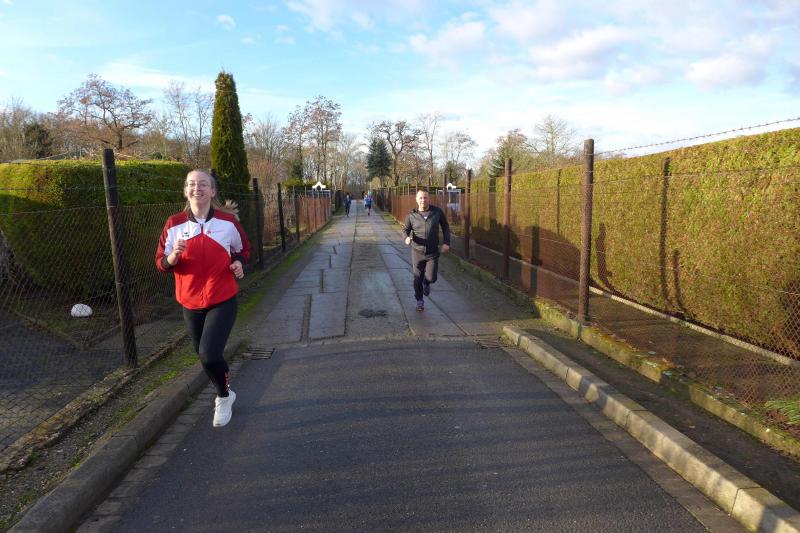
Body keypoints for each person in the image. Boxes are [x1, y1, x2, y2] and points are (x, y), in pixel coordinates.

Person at [155, 169, 251, 427]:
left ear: (212, 191)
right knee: (203, 355)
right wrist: (173, 257)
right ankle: (226, 390)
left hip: (222, 298)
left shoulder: (227, 222)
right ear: (185, 191)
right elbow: (161, 263)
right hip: (190, 302)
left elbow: (243, 249)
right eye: (191, 184)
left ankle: (223, 398)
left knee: (209, 354)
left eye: (203, 184)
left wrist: (238, 263)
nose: (196, 188)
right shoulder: (174, 224)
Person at [402, 190, 450, 311]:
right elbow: (405, 230)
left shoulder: (437, 212)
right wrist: (406, 238)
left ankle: (427, 282)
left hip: (432, 252)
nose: (423, 200)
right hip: (417, 252)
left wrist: (446, 242)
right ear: (416, 200)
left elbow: (445, 227)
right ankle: (419, 300)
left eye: (425, 197)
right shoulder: (411, 215)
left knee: (432, 278)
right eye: (421, 198)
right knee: (417, 278)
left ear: (429, 199)